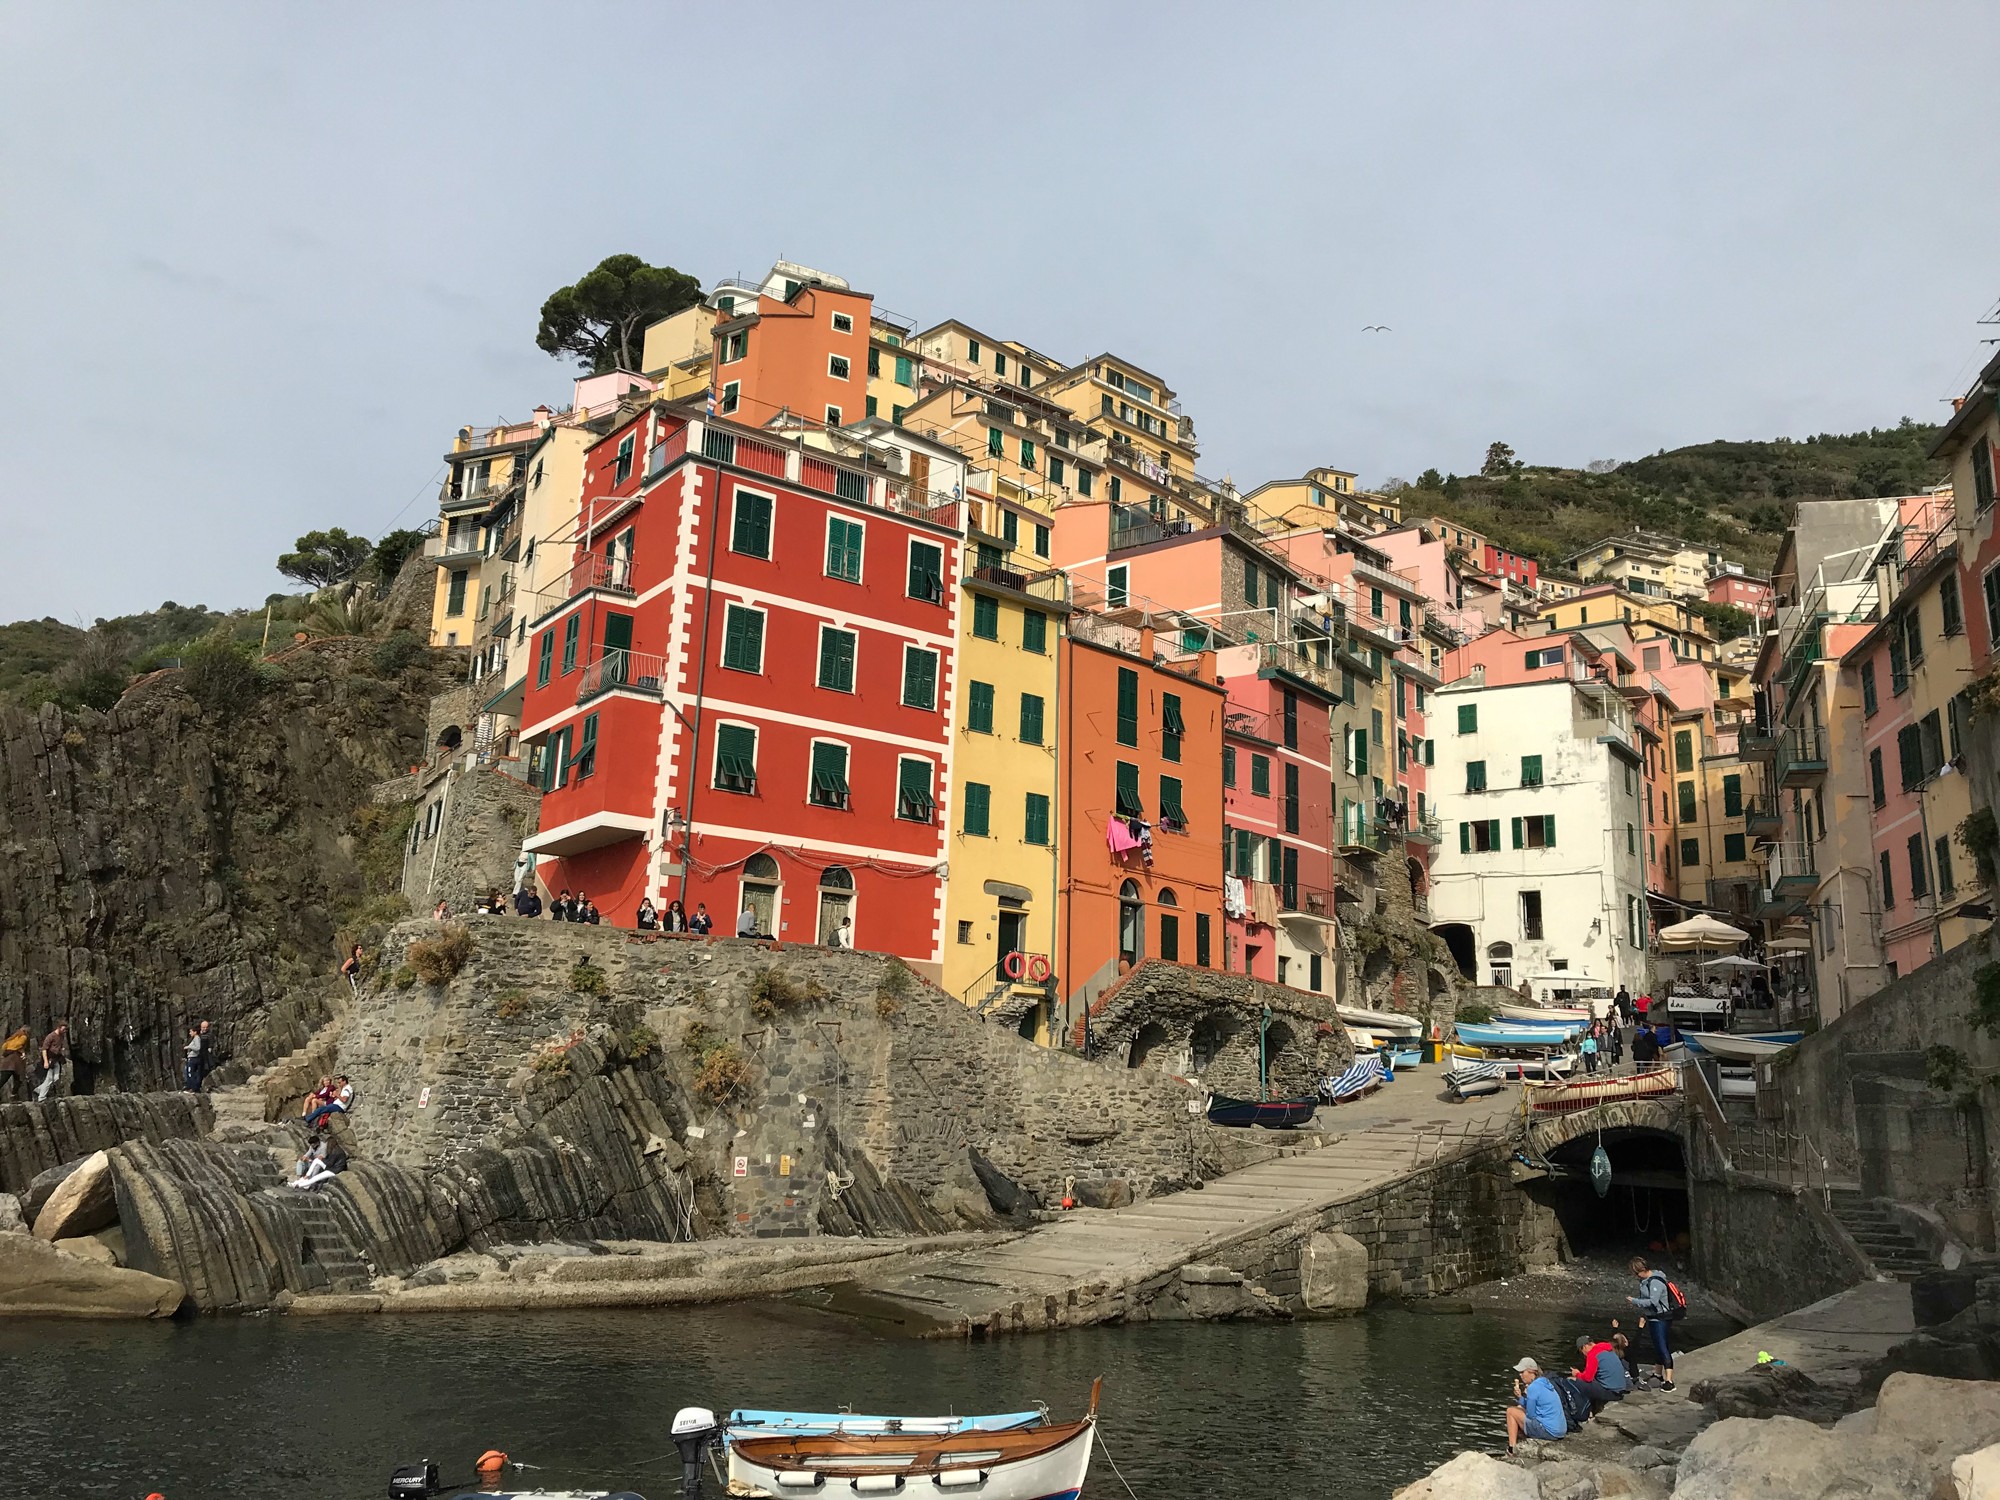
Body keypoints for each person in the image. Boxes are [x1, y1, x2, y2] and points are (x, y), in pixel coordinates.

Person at [1627, 1257, 1678, 1391]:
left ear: (1642, 1270)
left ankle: (1669, 1381)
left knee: (1663, 1347)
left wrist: (1635, 1301)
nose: (1636, 1277)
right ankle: (1658, 1373)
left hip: (1660, 1318)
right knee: (1657, 1346)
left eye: (1636, 1274)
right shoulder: (1647, 1280)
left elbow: (1653, 1302)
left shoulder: (1655, 1282)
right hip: (1653, 1317)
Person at [1506, 1356, 1568, 1453]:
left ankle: (1512, 1448)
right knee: (1518, 1408)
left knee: (1511, 1411)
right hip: (1560, 1430)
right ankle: (1520, 1443)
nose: (1520, 1375)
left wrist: (1526, 1396)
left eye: (1523, 1372)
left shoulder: (1533, 1387)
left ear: (1531, 1372)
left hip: (1549, 1432)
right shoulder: (1544, 1382)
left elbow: (1530, 1415)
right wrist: (1520, 1397)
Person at [1571, 1332, 1631, 1410]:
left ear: (1585, 1346)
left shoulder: (1593, 1354)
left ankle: (1581, 1411)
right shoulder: (1608, 1350)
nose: (1583, 1354)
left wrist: (1577, 1374)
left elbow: (1588, 1378)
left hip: (1611, 1392)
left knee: (1573, 1381)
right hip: (1620, 1389)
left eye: (1581, 1351)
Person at [34, 1021, 69, 1102]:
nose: (65, 1031)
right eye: (64, 1029)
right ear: (59, 1027)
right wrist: (46, 1061)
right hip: (49, 1058)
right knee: (49, 1078)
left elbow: (59, 1046)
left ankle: (38, 1090)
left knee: (56, 1078)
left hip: (56, 1059)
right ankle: (41, 1097)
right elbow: (44, 1049)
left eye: (66, 1030)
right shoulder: (51, 1036)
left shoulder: (62, 1036)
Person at [0, 1025, 28, 1101]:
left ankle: (13, 1096)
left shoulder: (12, 1038)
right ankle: (13, 1096)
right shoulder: (23, 1037)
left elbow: (3, 1046)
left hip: (6, 1062)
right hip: (14, 1063)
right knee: (18, 1080)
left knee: (3, 1079)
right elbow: (19, 1045)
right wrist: (21, 1051)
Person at [182, 1027, 204, 1092]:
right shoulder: (195, 1038)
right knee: (190, 1072)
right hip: (192, 1058)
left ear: (195, 1032)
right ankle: (191, 1087)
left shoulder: (196, 1038)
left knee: (190, 1073)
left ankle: (193, 1088)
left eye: (191, 1031)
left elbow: (197, 1048)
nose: (190, 1033)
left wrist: (189, 1047)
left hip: (193, 1058)